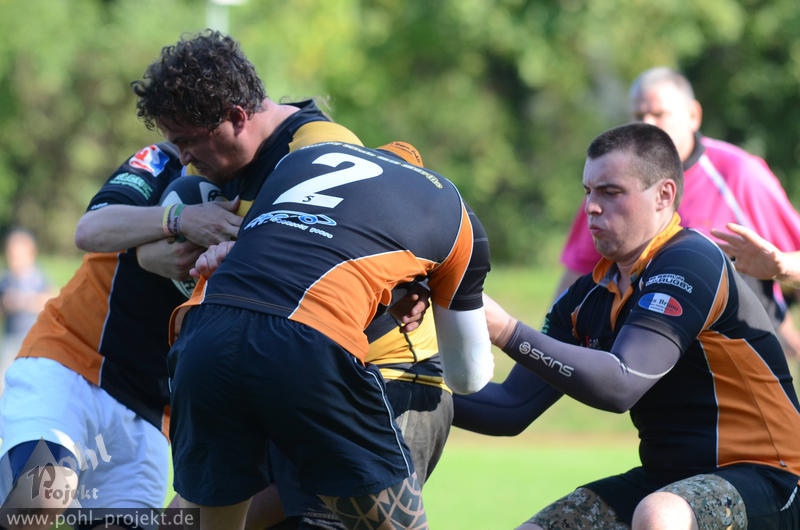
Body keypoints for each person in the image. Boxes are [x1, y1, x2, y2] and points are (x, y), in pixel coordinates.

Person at [131, 30, 468, 530]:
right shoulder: (217, 171)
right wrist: (183, 230)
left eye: (188, 141)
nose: (183, 159)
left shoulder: (319, 146)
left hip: (378, 372)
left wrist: (234, 252)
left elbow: (339, 258)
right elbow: (148, 254)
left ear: (236, 117)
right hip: (277, 360)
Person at [459, 122, 800, 528]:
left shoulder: (691, 262)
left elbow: (622, 382)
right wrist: (409, 383)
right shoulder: (589, 296)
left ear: (664, 195)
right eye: (588, 191)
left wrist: (507, 331)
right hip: (665, 482)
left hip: (772, 477)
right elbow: (510, 408)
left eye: (610, 192)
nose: (592, 206)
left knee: (659, 513)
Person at [164, 138, 493, 529]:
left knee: (202, 520)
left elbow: (290, 267)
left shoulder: (299, 159)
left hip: (205, 333)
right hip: (310, 347)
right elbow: (467, 378)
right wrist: (406, 291)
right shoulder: (453, 209)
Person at [555, 66, 800, 358]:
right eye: (638, 115)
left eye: (658, 114)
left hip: (738, 354)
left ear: (693, 115)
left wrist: (781, 267)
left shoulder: (739, 174)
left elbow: (787, 262)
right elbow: (576, 279)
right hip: (652, 349)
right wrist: (549, 347)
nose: (647, 125)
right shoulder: (611, 186)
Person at [0, 228, 53, 396]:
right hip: (10, 340)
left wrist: (23, 301)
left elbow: (50, 302)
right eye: (10, 254)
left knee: (33, 383)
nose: (13, 258)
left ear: (30, 253)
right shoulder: (6, 280)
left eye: (17, 254)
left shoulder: (38, 278)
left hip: (33, 341)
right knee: (4, 381)